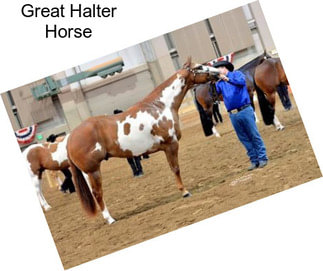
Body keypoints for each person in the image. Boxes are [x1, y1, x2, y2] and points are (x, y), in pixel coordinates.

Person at [213, 60, 268, 171]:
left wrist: (227, 79)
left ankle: (263, 157)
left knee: (254, 134)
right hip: (233, 114)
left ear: (224, 68)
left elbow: (242, 82)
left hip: (245, 110)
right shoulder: (219, 83)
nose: (218, 71)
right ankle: (254, 160)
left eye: (218, 69)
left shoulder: (237, 74)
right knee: (243, 138)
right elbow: (214, 94)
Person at [113, 109, 145, 177]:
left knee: (132, 157)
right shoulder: (121, 123)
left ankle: (137, 171)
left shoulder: (118, 124)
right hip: (127, 142)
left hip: (127, 141)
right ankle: (138, 171)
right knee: (133, 157)